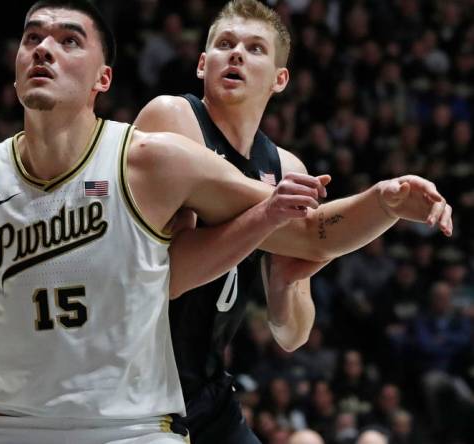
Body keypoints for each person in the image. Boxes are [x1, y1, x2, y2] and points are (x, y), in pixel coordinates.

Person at [0, 1, 452, 443]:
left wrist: (381, 203)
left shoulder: (153, 160)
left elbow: (310, 245)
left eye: (69, 39)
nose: (44, 47)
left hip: (136, 420)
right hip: (5, 422)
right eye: (33, 36)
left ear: (103, 80)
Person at [133, 1, 451, 443]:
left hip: (206, 389)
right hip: (135, 387)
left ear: (280, 79)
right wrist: (305, 222)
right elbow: (169, 279)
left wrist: (288, 279)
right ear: (202, 64)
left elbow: (292, 334)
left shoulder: (284, 166)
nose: (237, 54)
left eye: (255, 48)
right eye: (225, 44)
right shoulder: (173, 118)